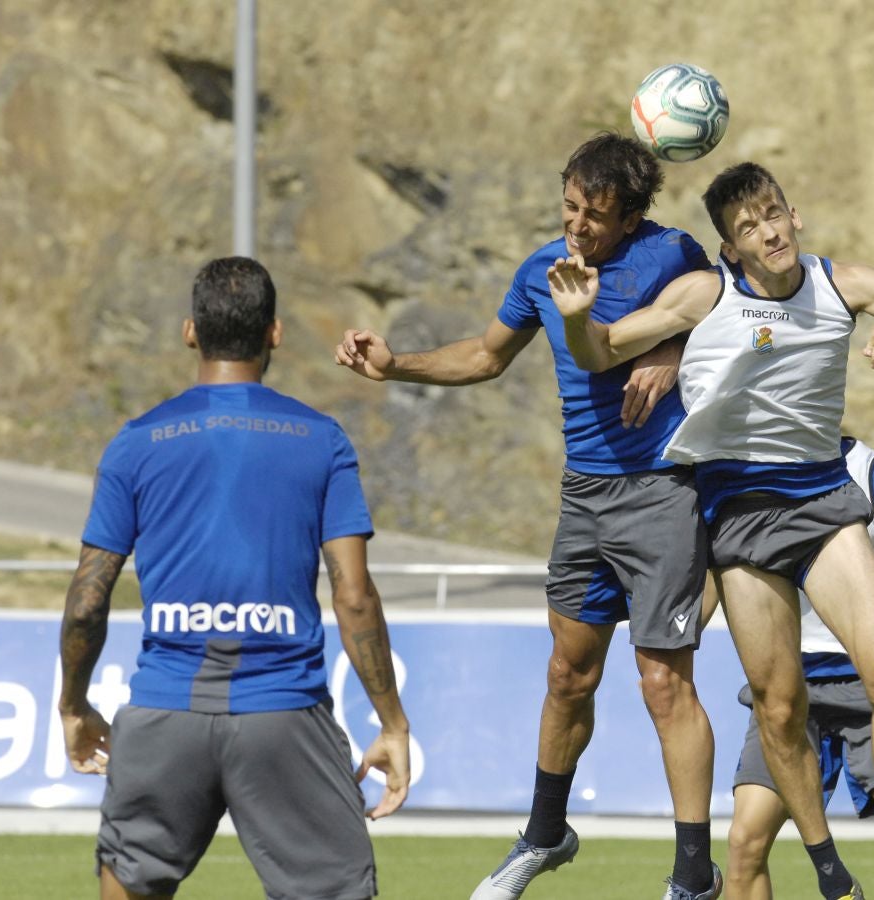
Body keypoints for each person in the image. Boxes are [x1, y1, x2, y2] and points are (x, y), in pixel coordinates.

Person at [548, 161, 874, 900]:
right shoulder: (705, 294)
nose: (768, 230)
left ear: (795, 215)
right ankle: (828, 870)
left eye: (774, 213)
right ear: (731, 248)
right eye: (748, 226)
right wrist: (574, 317)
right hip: (739, 516)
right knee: (778, 707)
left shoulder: (840, 285)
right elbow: (602, 350)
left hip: (820, 501)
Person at [335, 132, 722, 900]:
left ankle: (691, 876)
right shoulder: (541, 271)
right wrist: (396, 363)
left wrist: (678, 353)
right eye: (570, 207)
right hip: (584, 496)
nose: (578, 227)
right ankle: (545, 834)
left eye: (597, 216)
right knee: (566, 673)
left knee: (661, 683)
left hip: (662, 491)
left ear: (634, 215)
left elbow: (736, 312)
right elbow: (484, 355)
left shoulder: (676, 255)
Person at [58, 256, 411, 900]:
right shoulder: (321, 439)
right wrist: (392, 722)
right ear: (274, 333)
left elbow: (87, 600)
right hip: (283, 715)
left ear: (191, 331)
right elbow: (354, 597)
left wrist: (74, 704)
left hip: (164, 712)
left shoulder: (136, 442)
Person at [719, 437, 874, 899]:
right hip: (787, 690)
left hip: (866, 685)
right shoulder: (741, 468)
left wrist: (865, 639)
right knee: (744, 843)